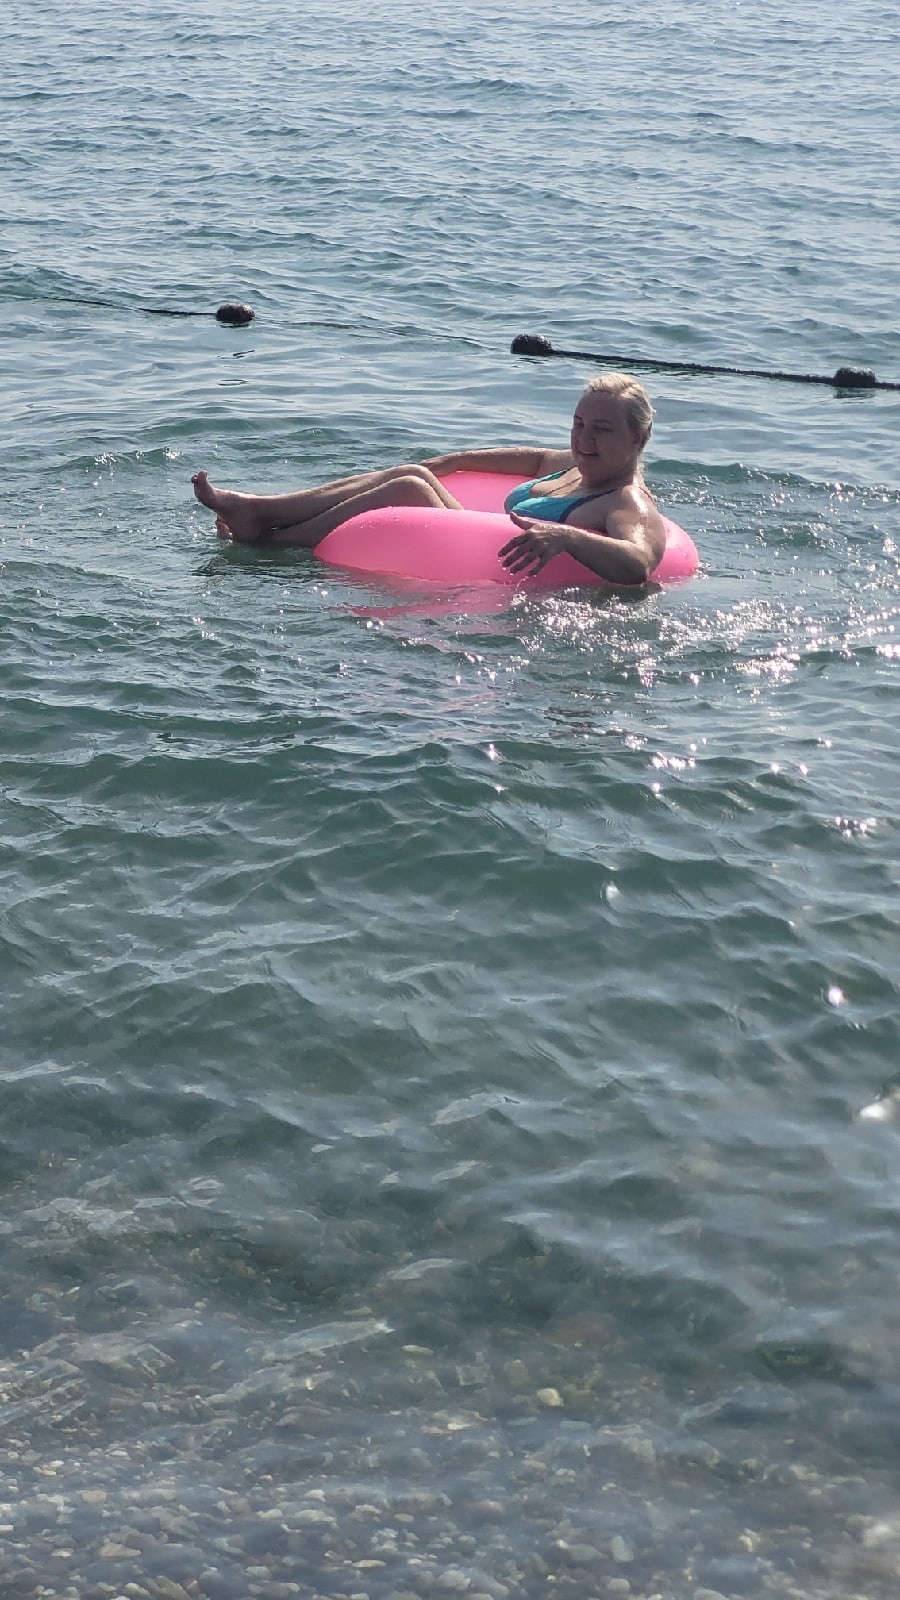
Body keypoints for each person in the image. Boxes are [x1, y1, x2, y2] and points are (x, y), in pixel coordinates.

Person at [191, 371, 666, 586]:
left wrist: (568, 537)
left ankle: (270, 541)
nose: (584, 439)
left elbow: (639, 563)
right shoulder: (577, 463)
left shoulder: (627, 501)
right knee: (415, 473)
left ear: (639, 438)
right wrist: (453, 461)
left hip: (495, 567)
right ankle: (260, 511)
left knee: (410, 489)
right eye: (579, 424)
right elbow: (534, 458)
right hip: (479, 544)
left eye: (602, 429)